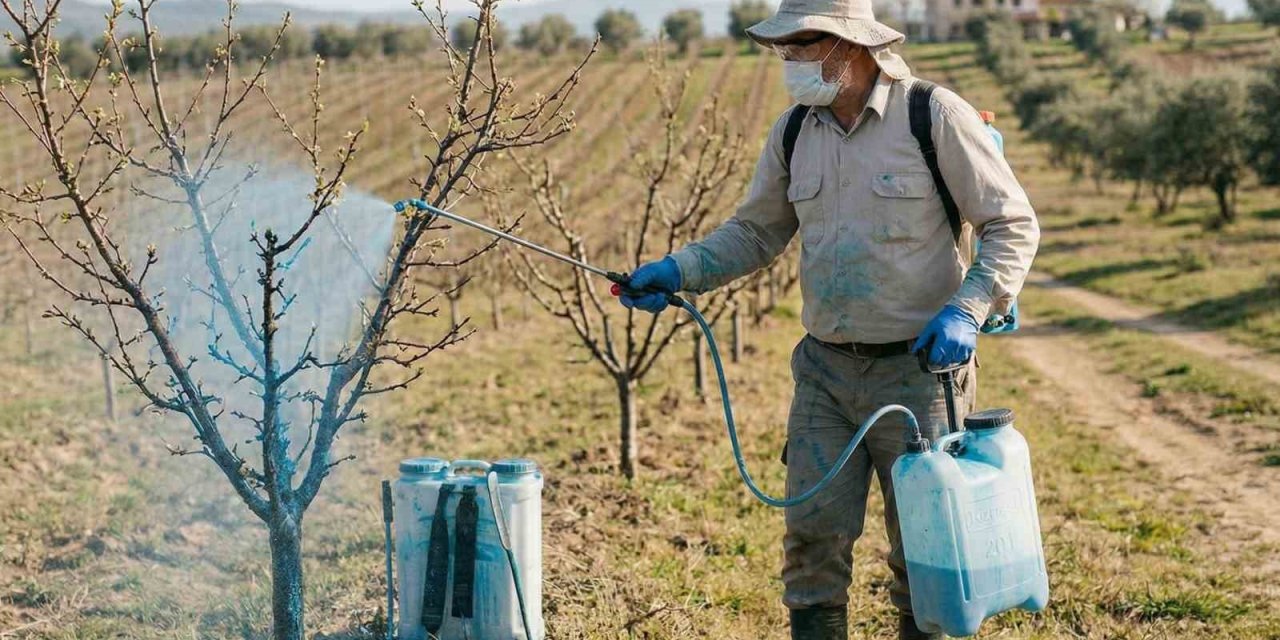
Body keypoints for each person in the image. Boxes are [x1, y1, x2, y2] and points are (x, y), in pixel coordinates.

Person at [616, 1, 1041, 638]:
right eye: (783, 47)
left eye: (803, 44)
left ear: (852, 46)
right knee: (811, 544)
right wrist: (679, 270)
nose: (789, 60)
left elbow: (1011, 223)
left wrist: (969, 308)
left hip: (921, 377)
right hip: (825, 376)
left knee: (927, 554)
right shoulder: (794, 132)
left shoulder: (932, 115)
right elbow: (755, 234)